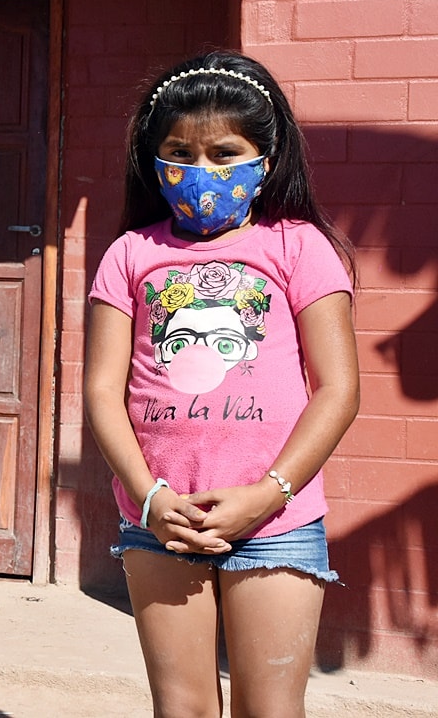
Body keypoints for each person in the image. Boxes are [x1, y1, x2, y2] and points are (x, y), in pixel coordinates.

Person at [83, 50, 360, 716]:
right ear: (153, 160)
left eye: (224, 153)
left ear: (265, 160)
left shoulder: (299, 247)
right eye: (179, 154)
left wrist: (267, 496)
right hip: (159, 520)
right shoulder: (130, 254)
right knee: (182, 708)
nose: (201, 171)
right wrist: (149, 498)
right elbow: (101, 391)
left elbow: (339, 389)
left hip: (278, 520)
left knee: (269, 709)